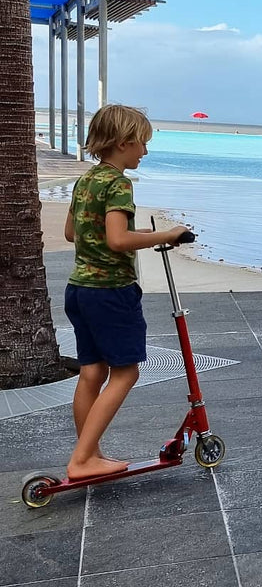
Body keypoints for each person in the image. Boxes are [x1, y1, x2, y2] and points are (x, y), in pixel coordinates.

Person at [62, 104, 189, 480]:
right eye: (142, 145)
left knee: (92, 371)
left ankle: (89, 454)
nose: (144, 153)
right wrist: (167, 235)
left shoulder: (86, 180)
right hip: (110, 292)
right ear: (123, 143)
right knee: (125, 373)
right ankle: (82, 459)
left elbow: (72, 233)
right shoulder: (118, 183)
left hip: (79, 289)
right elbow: (119, 239)